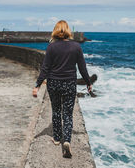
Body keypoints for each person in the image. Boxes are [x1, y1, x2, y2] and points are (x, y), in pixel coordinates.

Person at [32, 20, 92, 158]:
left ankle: (57, 138)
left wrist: (37, 85)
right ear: (68, 31)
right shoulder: (76, 46)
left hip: (53, 84)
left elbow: (45, 68)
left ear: (56, 30)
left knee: (57, 110)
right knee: (68, 113)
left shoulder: (51, 47)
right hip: (69, 84)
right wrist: (88, 83)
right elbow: (82, 68)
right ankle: (67, 141)